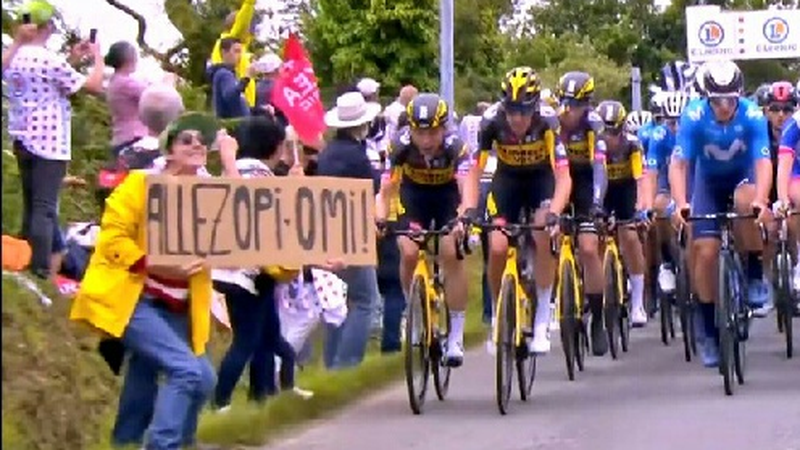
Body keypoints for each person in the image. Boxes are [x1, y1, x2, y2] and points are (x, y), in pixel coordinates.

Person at [71, 113, 235, 449]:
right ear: (170, 150)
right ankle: (163, 444)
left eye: (202, 141)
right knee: (189, 373)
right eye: (187, 139)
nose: (197, 145)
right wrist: (151, 263)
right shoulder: (140, 184)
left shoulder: (205, 192)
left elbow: (243, 217)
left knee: (183, 376)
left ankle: (132, 441)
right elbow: (112, 238)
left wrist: (231, 161)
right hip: (137, 300)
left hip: (178, 306)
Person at [670, 61, 772, 368]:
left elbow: (763, 162)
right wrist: (680, 203)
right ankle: (708, 328)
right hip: (707, 182)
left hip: (742, 176)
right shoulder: (693, 116)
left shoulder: (753, 114)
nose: (725, 106)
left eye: (731, 99)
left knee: (747, 203)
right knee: (706, 251)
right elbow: (679, 164)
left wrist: (762, 199)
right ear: (706, 97)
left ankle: (754, 273)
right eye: (718, 100)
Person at [4, 0, 104, 280]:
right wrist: (97, 57)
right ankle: (39, 268)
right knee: (45, 207)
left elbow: (49, 82)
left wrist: (73, 59)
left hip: (22, 137)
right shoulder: (48, 59)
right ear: (47, 27)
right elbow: (94, 86)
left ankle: (23, 258)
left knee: (31, 203)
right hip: (49, 141)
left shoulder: (15, 57)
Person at [377, 93, 478, 365]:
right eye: (419, 132)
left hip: (447, 198)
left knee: (449, 251)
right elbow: (385, 190)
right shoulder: (398, 146)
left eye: (432, 132)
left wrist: (464, 216)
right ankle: (414, 313)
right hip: (414, 197)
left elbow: (466, 186)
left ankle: (455, 334)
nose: (426, 140)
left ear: (444, 128)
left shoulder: (456, 147)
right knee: (408, 251)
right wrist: (380, 220)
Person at [477, 67, 570, 355]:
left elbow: (564, 176)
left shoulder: (548, 123)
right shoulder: (491, 121)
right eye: (511, 110)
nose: (517, 118)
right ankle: (497, 315)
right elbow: (473, 170)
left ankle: (542, 317)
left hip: (540, 180)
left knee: (542, 230)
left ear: (534, 107)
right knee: (496, 246)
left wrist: (555, 210)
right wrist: (468, 207)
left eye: (524, 111)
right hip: (506, 182)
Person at [212, 116, 301, 409]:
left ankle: (269, 394)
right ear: (275, 148)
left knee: (270, 337)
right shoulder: (260, 178)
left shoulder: (233, 173)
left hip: (229, 270)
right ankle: (221, 402)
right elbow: (259, 216)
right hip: (249, 273)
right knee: (247, 342)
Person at [317, 91, 383, 369]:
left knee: (339, 303)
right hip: (352, 232)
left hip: (326, 230)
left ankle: (332, 363)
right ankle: (347, 363)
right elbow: (371, 189)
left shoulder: (329, 153)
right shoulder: (357, 156)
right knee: (366, 300)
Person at [556, 71, 608, 356]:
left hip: (587, 182)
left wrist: (597, 205)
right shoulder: (550, 123)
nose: (571, 110)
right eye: (566, 103)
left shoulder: (594, 125)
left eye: (577, 105)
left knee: (588, 249)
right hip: (558, 180)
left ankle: (598, 318)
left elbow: (600, 167)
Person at [595, 100, 648, 326]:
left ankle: (637, 303)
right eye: (606, 132)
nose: (610, 137)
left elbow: (641, 179)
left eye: (615, 132)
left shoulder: (632, 145)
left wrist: (642, 209)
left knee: (629, 235)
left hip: (626, 189)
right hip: (602, 191)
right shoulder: (594, 144)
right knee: (594, 237)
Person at [209, 0, 258, 107]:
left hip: (243, 105)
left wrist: (248, 57)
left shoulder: (226, 44)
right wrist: (249, 3)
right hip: (237, 106)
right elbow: (243, 21)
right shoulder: (232, 38)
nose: (249, 29)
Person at [105, 41, 148, 156]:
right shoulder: (125, 82)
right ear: (129, 59)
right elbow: (154, 96)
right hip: (133, 137)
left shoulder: (114, 81)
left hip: (122, 136)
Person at [208, 37, 252, 119]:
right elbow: (231, 96)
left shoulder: (230, 74)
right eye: (236, 51)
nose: (239, 56)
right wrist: (246, 79)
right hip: (232, 127)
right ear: (224, 52)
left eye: (240, 52)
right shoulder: (224, 74)